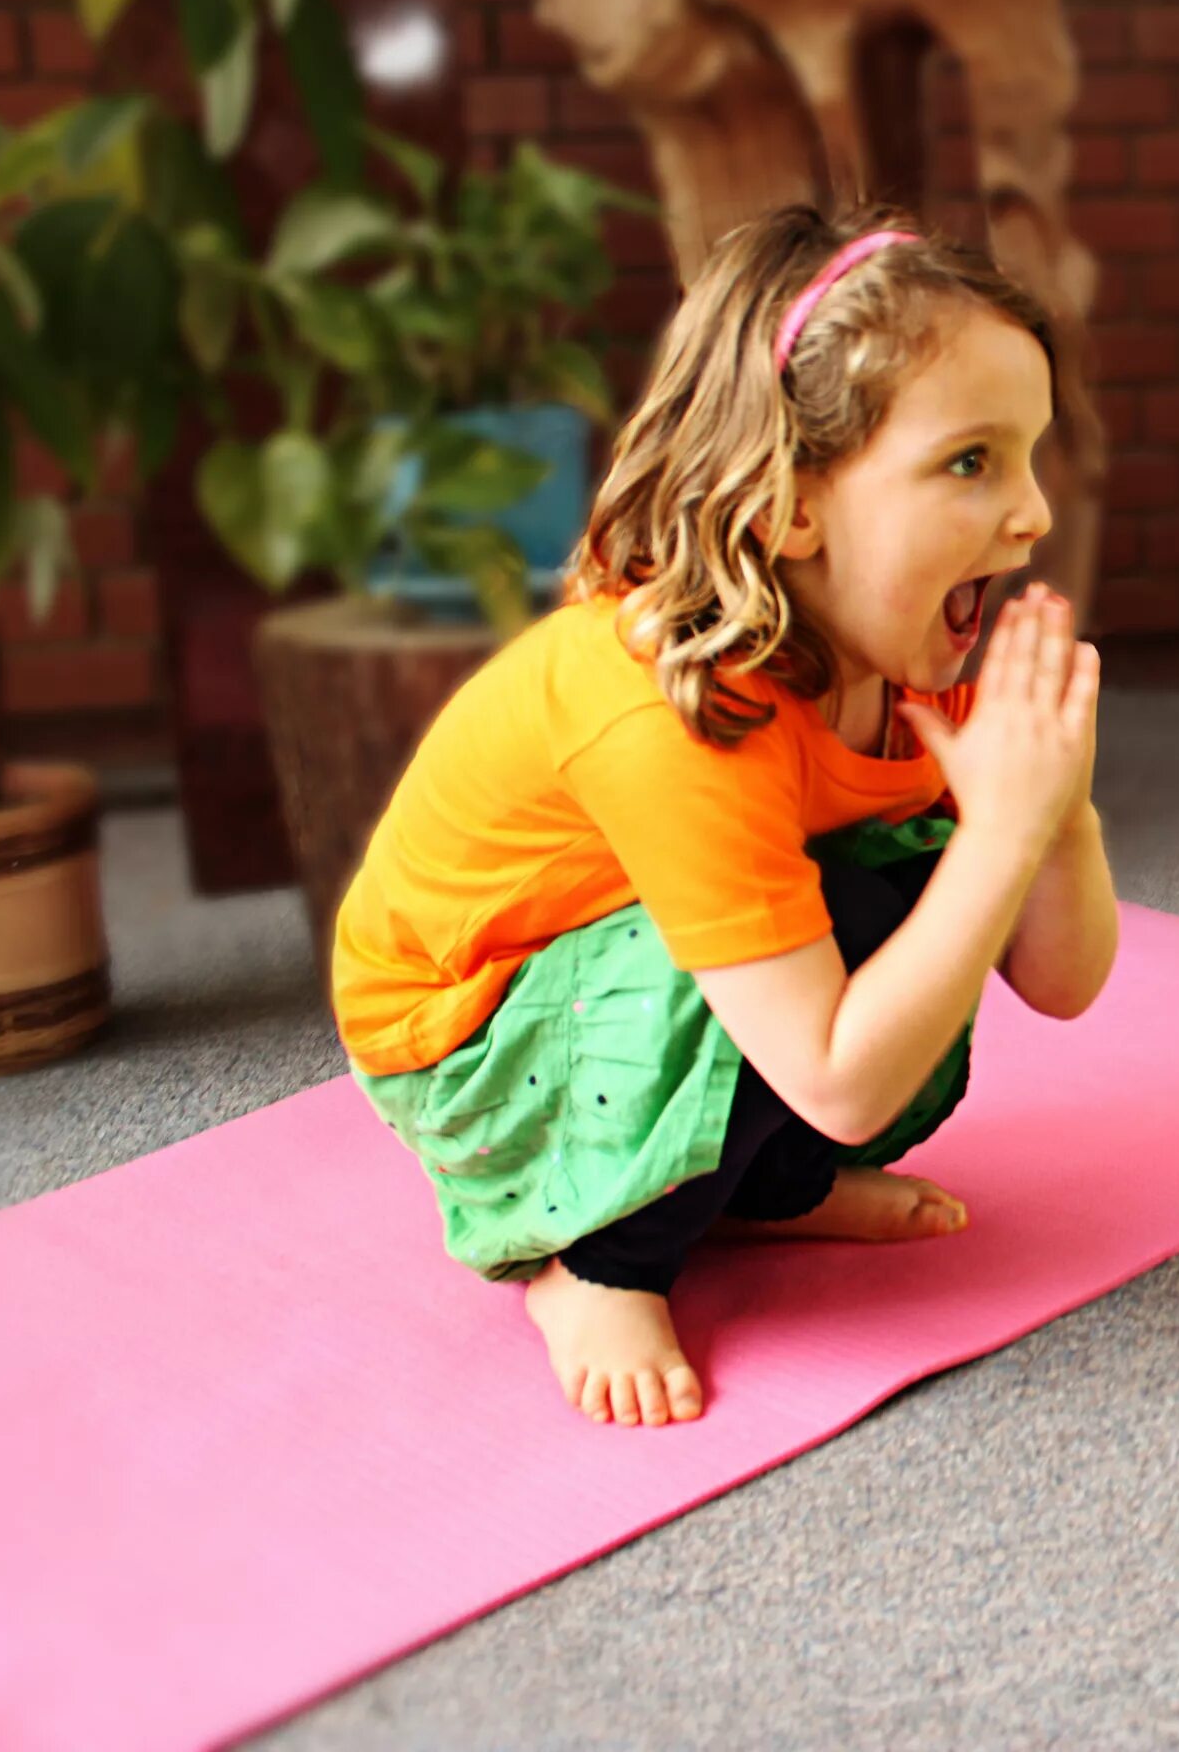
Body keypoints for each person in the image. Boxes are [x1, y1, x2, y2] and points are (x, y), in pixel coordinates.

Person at [334, 205, 1116, 1430]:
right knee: (884, 905)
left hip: (653, 977)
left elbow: (1061, 982)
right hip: (468, 1039)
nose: (1033, 514)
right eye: (971, 461)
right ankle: (594, 1260)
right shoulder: (676, 706)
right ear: (790, 505)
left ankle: (770, 1187)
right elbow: (843, 1079)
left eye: (1028, 457)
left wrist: (1054, 808)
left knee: (905, 875)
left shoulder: (911, 637)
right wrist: (1001, 833)